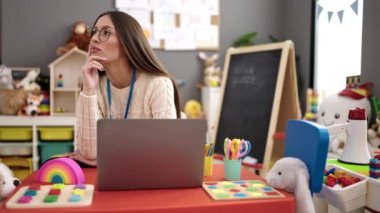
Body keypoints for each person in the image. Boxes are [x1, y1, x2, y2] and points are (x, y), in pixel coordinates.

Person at [71, 11, 181, 166]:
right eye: (94, 32)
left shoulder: (158, 84)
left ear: (127, 42)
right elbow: (89, 154)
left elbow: (165, 152)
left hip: (151, 180)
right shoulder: (96, 85)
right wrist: (88, 91)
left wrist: (109, 154)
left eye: (106, 33)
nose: (94, 38)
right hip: (111, 178)